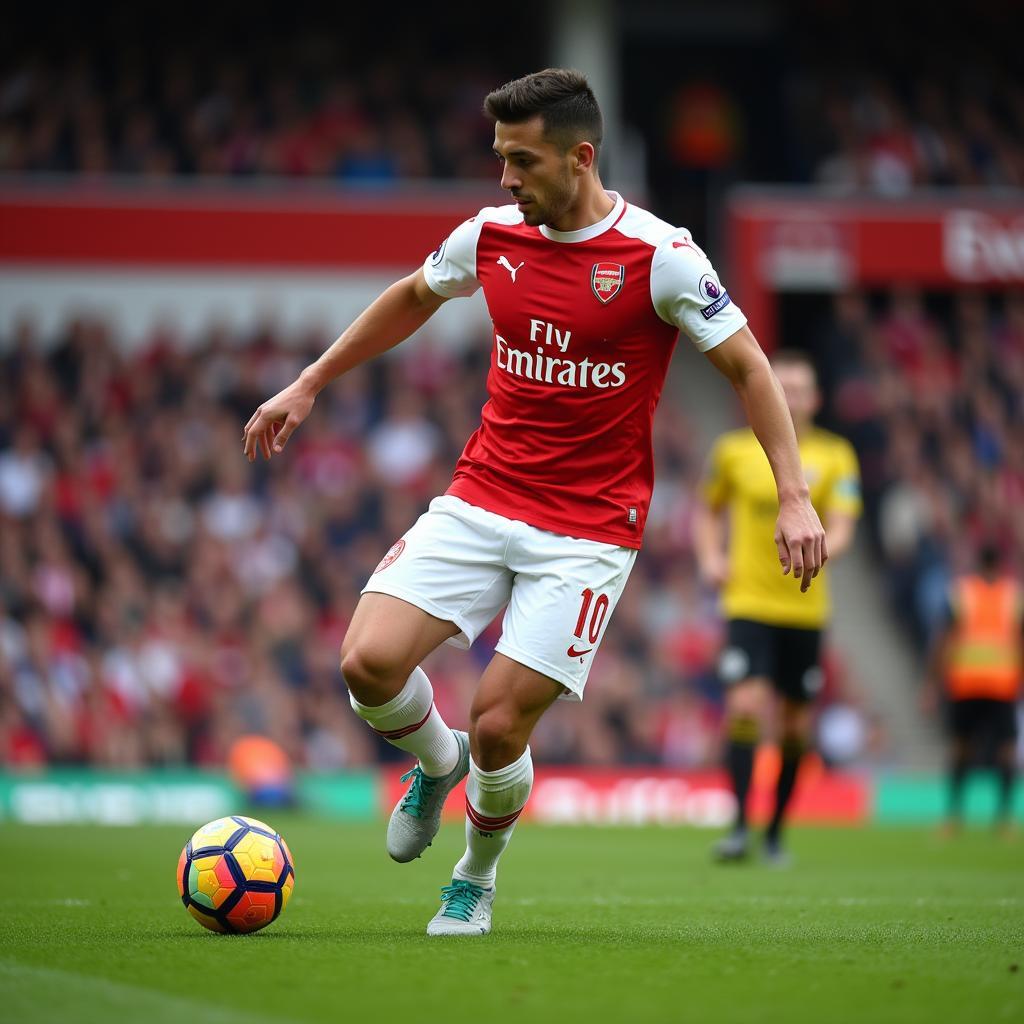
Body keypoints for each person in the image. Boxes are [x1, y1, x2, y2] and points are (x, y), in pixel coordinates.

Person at [242, 69, 826, 936]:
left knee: (498, 721)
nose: (506, 179)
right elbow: (412, 296)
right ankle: (435, 767)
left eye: (521, 161)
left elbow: (747, 366)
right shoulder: (490, 236)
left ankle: (474, 879)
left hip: (586, 532)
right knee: (366, 664)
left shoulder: (662, 257)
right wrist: (310, 381)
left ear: (580, 158)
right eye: (501, 159)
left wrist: (794, 497)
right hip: (482, 493)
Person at [694, 350, 861, 864]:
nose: (789, 396)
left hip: (804, 610)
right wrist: (710, 556)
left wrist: (818, 545)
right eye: (779, 386)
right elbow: (708, 508)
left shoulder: (837, 456)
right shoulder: (733, 452)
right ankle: (742, 827)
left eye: (799, 388)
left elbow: (844, 526)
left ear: (816, 399)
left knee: (793, 726)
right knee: (744, 707)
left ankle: (775, 835)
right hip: (748, 601)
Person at [924, 543, 1022, 832]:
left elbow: (941, 640)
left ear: (978, 563)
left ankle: (953, 817)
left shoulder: (960, 593)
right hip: (1001, 684)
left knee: (961, 750)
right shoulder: (1013, 596)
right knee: (1004, 751)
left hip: (966, 684)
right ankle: (1003, 819)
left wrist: (931, 684)